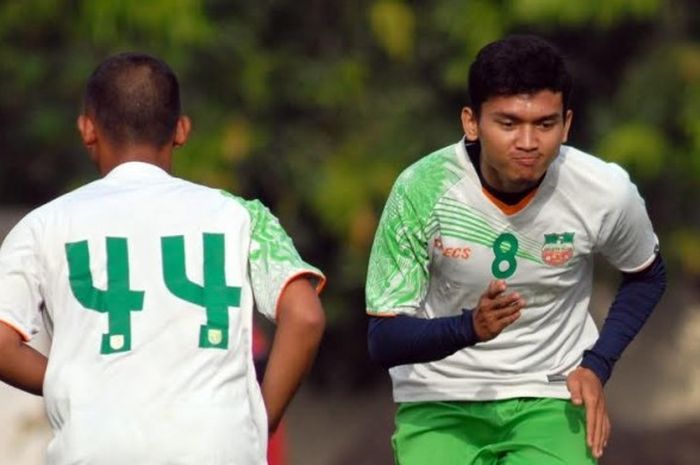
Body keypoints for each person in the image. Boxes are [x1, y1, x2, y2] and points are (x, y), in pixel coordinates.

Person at [0, 52, 326, 465]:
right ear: (181, 130)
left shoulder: (42, 224)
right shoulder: (242, 215)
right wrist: (262, 419)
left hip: (95, 449)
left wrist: (80, 382)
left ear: (87, 129)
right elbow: (306, 316)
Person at [366, 35, 666, 465]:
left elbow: (647, 274)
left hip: (550, 391)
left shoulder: (605, 191)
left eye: (545, 124)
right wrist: (470, 327)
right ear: (471, 122)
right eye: (508, 123)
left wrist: (597, 365)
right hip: (440, 397)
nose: (528, 142)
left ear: (566, 124)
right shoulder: (420, 190)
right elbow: (383, 339)